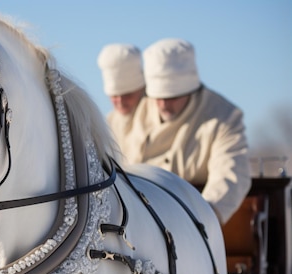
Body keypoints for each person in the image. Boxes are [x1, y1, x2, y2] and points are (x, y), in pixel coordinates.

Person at [119, 38, 251, 224]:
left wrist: (203, 218)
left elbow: (231, 174)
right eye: (158, 97)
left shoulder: (223, 117)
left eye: (172, 96)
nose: (164, 104)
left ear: (190, 91)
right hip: (137, 220)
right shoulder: (136, 112)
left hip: (190, 220)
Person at [97, 44, 146, 142]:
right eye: (114, 96)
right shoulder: (108, 125)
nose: (120, 101)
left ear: (141, 89)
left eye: (127, 95)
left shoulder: (156, 117)